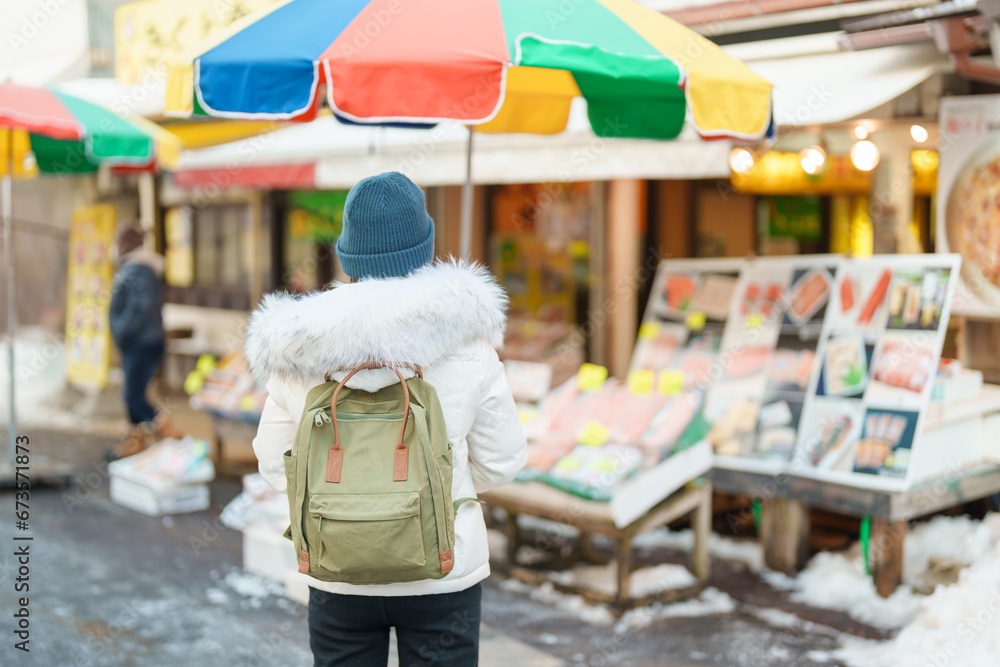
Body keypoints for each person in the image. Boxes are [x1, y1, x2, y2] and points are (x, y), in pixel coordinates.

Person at [246, 171, 526, 667]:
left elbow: (275, 462)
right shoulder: (467, 341)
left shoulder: (297, 346)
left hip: (338, 564)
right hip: (444, 568)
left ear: (346, 252)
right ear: (424, 246)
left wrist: (349, 496)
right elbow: (502, 460)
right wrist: (432, 483)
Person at [108, 222, 181, 459]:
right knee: (131, 393)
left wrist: (121, 331)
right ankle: (137, 441)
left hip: (141, 342)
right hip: (138, 341)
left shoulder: (139, 270)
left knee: (133, 394)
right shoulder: (135, 268)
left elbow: (140, 309)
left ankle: (167, 430)